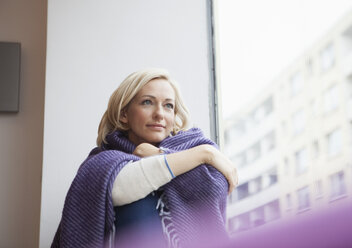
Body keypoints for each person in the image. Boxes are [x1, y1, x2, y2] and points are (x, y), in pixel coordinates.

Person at [51, 68, 238, 248]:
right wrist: (204, 155)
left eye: (168, 106)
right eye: (147, 102)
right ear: (124, 114)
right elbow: (124, 188)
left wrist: (160, 155)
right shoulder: (103, 161)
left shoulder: (195, 145)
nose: (159, 114)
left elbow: (215, 185)